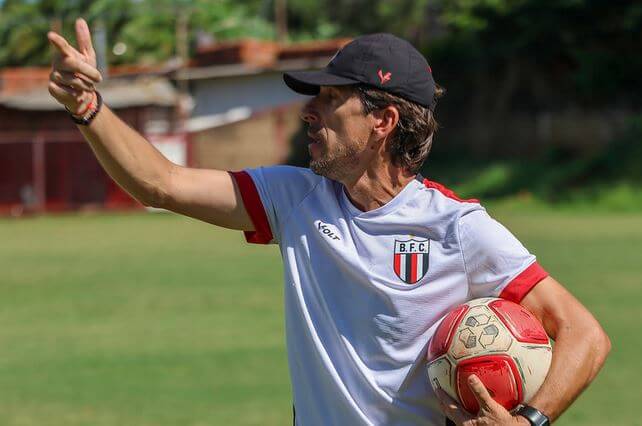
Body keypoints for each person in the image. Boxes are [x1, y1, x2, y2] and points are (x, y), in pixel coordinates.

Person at [47, 19, 610, 426]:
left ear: (384, 119)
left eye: (332, 98)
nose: (308, 111)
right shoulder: (294, 199)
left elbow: (584, 334)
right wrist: (88, 109)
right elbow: (161, 183)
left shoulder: (457, 227)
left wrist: (530, 421)